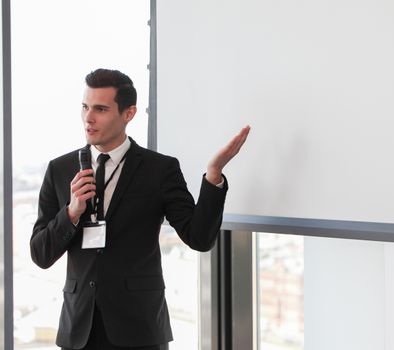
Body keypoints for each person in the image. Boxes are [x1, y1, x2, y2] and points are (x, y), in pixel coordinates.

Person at [30, 68, 250, 350]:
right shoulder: (60, 169)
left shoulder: (160, 169)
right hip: (79, 332)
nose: (88, 118)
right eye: (85, 107)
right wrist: (71, 212)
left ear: (128, 113)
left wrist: (214, 176)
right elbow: (40, 254)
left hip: (140, 330)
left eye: (100, 109)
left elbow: (199, 237)